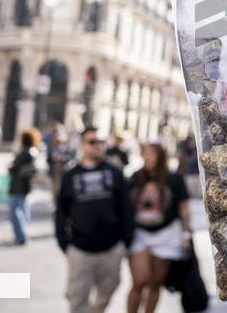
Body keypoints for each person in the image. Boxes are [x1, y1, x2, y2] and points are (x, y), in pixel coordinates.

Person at [55, 126, 133, 313]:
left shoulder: (115, 172)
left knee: (107, 292)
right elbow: (61, 212)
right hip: (80, 251)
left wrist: (125, 241)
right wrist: (64, 243)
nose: (98, 146)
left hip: (112, 249)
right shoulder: (70, 175)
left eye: (101, 142)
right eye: (92, 142)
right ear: (82, 145)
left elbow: (126, 208)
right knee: (77, 300)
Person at [127, 142, 191, 313]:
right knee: (139, 282)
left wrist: (186, 235)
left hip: (167, 234)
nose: (147, 157)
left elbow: (184, 208)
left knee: (155, 284)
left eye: (152, 154)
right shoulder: (136, 177)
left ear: (161, 157)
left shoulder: (174, 178)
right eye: (145, 153)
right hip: (140, 234)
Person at [8, 127, 41, 244]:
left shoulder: (25, 152)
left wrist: (10, 166)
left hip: (18, 186)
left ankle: (21, 237)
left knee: (15, 212)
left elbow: (15, 167)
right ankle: (23, 235)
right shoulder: (33, 151)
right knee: (23, 210)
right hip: (26, 186)